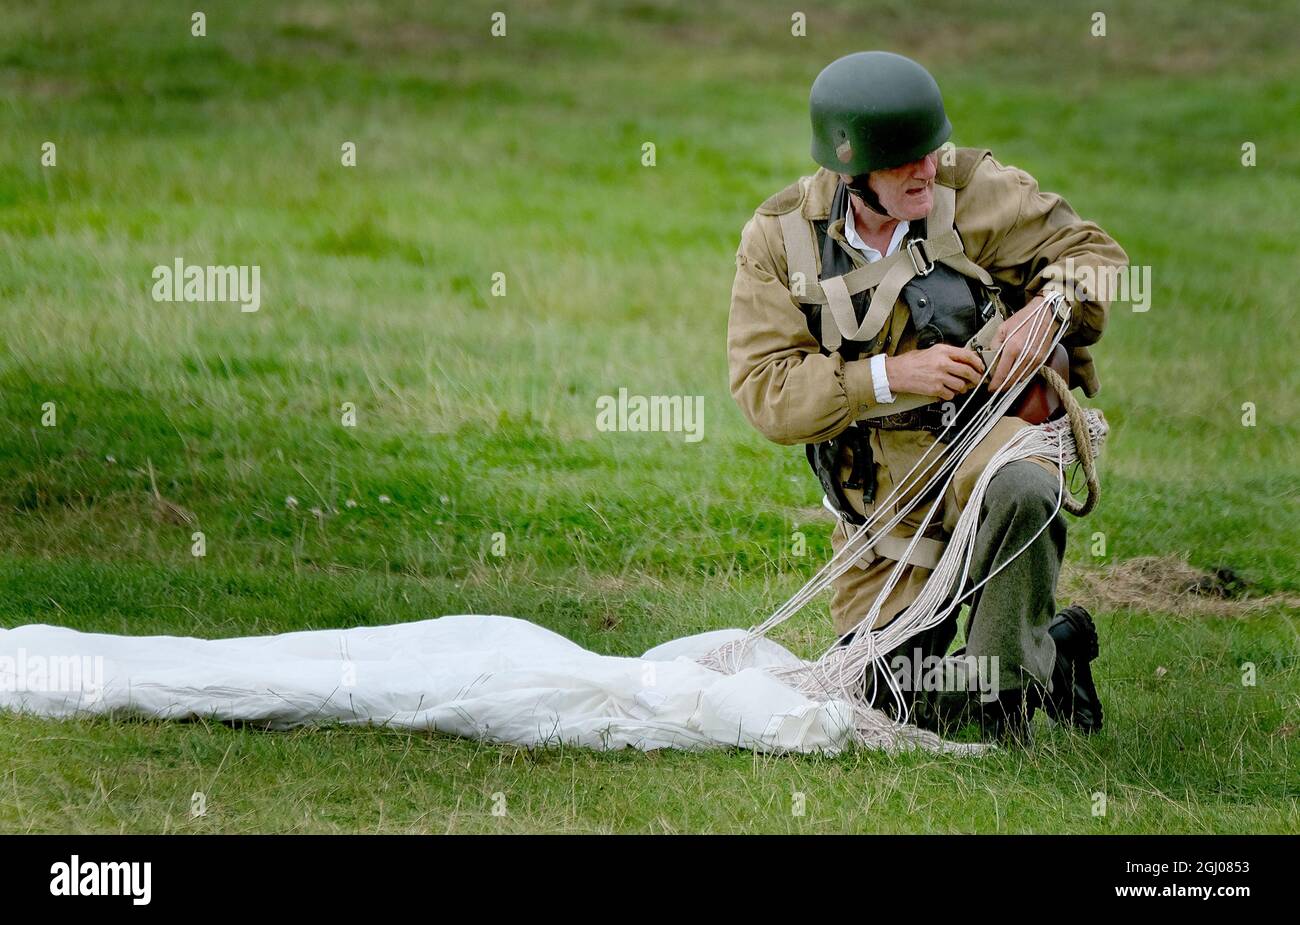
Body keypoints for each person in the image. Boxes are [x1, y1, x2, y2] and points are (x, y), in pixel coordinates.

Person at [727, 51, 1128, 744]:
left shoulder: (971, 189)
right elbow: (766, 392)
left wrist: (1053, 307)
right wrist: (887, 376)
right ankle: (1056, 652)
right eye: (903, 161)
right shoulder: (782, 238)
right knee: (878, 704)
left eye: (930, 150)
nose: (926, 169)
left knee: (1024, 485)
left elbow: (1096, 252)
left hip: (981, 445)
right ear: (854, 173)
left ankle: (1005, 710)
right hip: (882, 508)